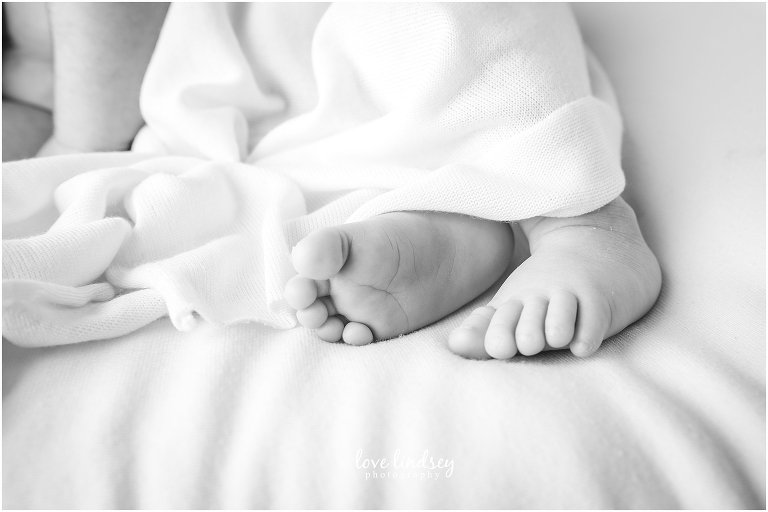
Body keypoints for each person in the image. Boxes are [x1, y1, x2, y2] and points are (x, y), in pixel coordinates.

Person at [3, 2, 661, 360]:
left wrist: (76, 146)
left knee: (450, 27)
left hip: (276, 25)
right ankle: (449, 224)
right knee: (297, 186)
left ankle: (582, 222)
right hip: (234, 108)